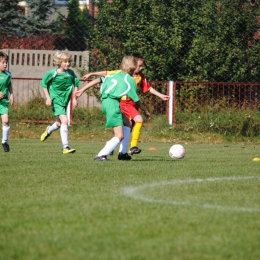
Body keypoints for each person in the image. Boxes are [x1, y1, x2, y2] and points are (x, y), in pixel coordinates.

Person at [83, 53, 170, 155]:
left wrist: (161, 95)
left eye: (142, 66)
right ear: (133, 64)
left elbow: (148, 88)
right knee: (137, 121)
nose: (141, 68)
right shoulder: (122, 74)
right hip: (123, 103)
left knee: (127, 126)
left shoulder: (140, 77)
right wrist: (92, 74)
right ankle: (131, 147)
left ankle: (117, 149)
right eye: (139, 65)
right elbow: (105, 74)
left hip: (131, 103)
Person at [78, 56, 142, 161]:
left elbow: (99, 79)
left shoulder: (114, 75)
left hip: (105, 102)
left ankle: (123, 153)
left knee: (128, 124)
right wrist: (146, 110)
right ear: (133, 67)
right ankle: (101, 155)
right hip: (113, 104)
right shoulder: (130, 80)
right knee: (119, 135)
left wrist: (82, 90)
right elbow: (137, 100)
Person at [40, 50, 80, 154]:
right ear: (59, 62)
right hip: (56, 100)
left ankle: (49, 130)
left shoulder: (70, 73)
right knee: (65, 121)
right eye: (65, 62)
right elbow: (44, 84)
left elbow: (76, 84)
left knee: (59, 123)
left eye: (68, 61)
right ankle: (65, 147)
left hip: (65, 100)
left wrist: (75, 99)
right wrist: (48, 98)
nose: (67, 64)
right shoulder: (52, 73)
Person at [0, 51, 14, 152]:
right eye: (3, 62)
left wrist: (12, 95)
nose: (5, 64)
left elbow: (9, 85)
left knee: (5, 121)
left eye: (6, 62)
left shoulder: (8, 74)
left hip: (3, 101)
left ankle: (4, 141)